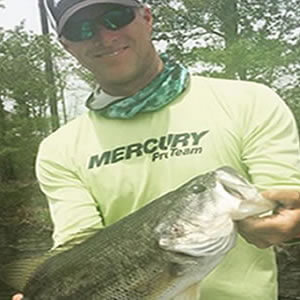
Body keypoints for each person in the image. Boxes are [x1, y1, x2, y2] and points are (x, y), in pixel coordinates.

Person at [12, 0, 300, 299]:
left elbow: (285, 196)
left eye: (116, 17)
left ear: (147, 18)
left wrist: (290, 224)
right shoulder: (58, 148)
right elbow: (78, 246)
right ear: (68, 46)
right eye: (81, 28)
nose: (104, 36)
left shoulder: (250, 101)